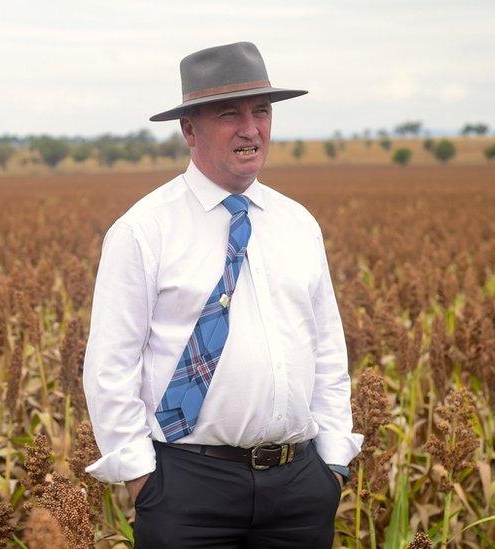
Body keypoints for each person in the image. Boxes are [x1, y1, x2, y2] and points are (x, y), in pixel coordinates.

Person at [82, 41, 364, 548]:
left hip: (301, 487)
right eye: (229, 114)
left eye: (261, 112)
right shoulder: (143, 231)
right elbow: (110, 366)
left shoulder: (298, 224)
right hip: (188, 489)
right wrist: (144, 480)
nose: (251, 129)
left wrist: (334, 461)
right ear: (188, 130)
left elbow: (327, 351)